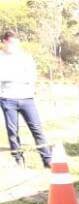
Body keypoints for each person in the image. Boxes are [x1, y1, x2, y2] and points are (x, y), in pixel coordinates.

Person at [0, 31, 51, 168]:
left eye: (16, 43)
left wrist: (14, 77)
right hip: (7, 99)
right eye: (11, 43)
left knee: (37, 129)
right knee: (12, 131)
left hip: (27, 98)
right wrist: (15, 76)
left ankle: (47, 159)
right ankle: (18, 159)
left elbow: (31, 77)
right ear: (4, 42)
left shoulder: (26, 58)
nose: (13, 46)